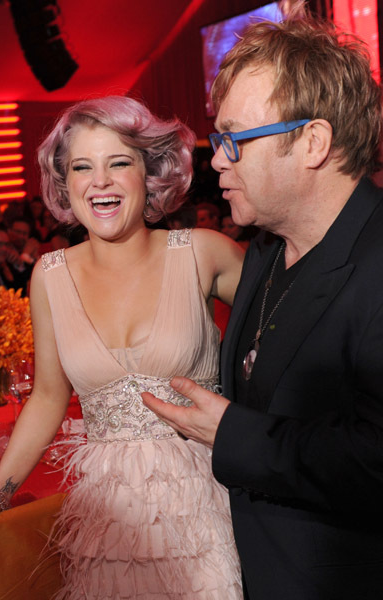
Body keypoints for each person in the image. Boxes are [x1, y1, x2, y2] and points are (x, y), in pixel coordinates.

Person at [142, 10, 383, 600]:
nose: (216, 159)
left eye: (233, 140)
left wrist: (230, 433)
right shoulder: (263, 253)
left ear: (313, 143)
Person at [0, 96, 244, 599]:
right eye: (83, 167)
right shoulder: (49, 276)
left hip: (207, 505)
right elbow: (47, 398)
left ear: (150, 173)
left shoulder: (202, 252)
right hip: (108, 523)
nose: (99, 180)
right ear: (66, 184)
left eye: (118, 162)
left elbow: (294, 317)